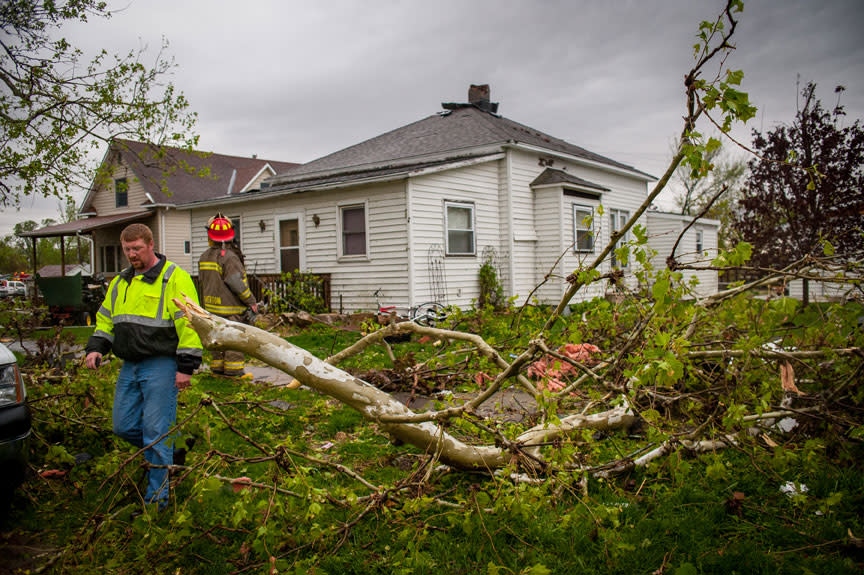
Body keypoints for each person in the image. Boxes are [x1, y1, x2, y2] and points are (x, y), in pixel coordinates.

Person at [84, 223, 203, 510]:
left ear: (151, 244)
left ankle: (156, 501)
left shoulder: (174, 278)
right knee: (123, 426)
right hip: (130, 364)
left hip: (161, 363)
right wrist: (96, 349)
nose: (131, 254)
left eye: (136, 248)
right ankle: (175, 451)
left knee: (155, 431)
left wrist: (186, 366)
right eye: (127, 249)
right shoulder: (120, 283)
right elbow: (105, 321)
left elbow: (191, 322)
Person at [198, 213, 258, 378]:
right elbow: (237, 283)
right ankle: (234, 371)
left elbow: (203, 282)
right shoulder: (229, 258)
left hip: (211, 307)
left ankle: (218, 369)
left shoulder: (204, 256)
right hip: (230, 309)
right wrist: (251, 302)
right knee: (234, 340)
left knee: (218, 339)